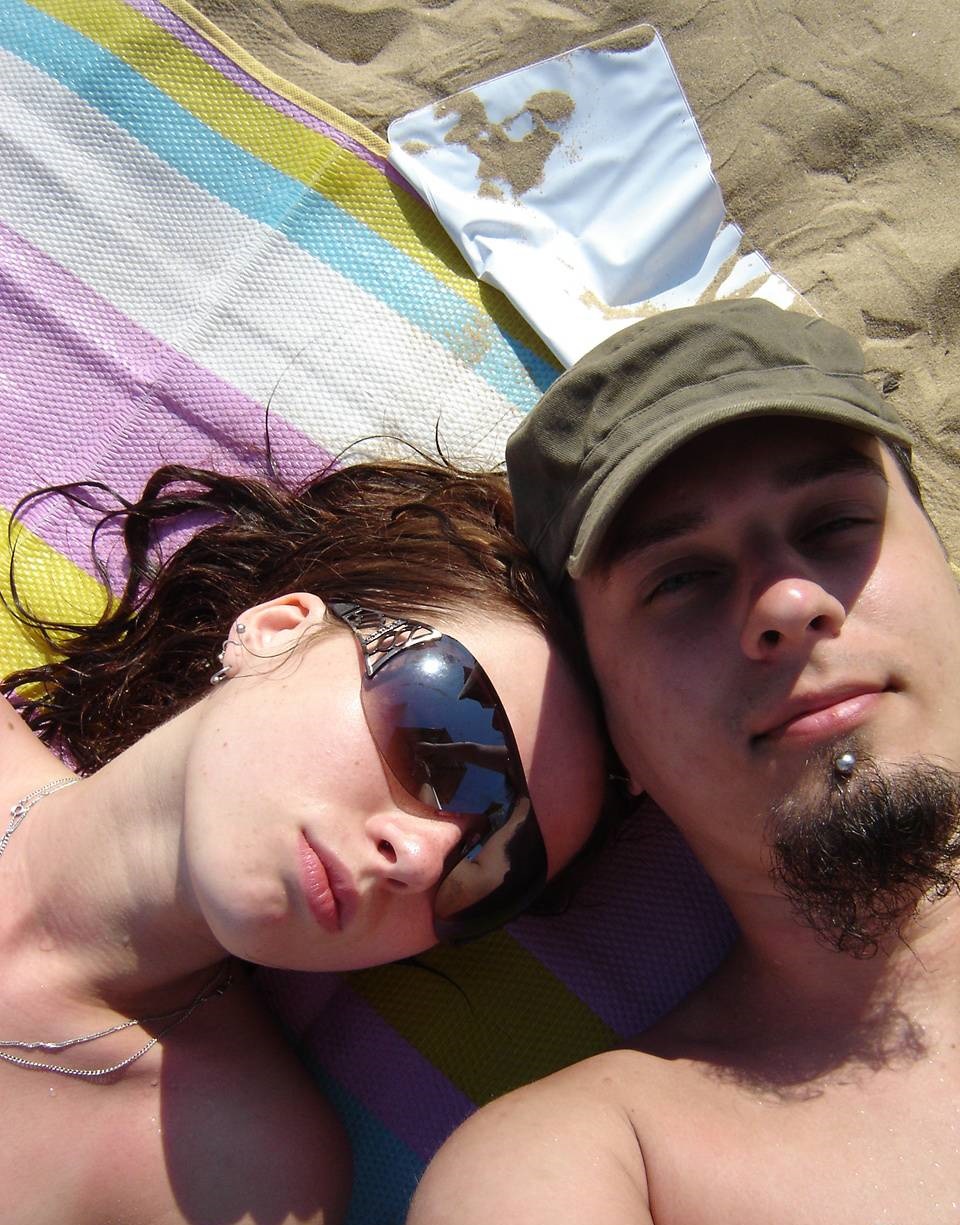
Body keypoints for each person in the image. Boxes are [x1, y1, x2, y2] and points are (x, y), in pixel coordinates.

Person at [407, 298, 960, 1223]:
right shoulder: (606, 1159)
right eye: (683, 578)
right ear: (610, 730)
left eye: (835, 522)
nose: (789, 601)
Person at [0, 457, 605, 1225]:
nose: (423, 859)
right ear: (278, 628)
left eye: (492, 869)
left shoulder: (240, 1178)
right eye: (441, 742)